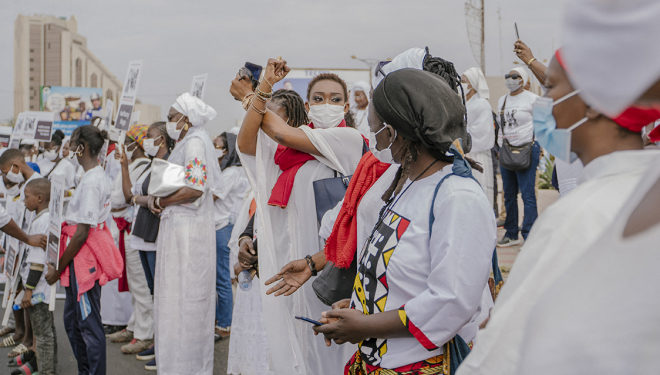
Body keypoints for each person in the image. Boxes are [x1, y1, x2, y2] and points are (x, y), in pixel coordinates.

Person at [455, 50, 660, 375]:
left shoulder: (578, 216)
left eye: (550, 88)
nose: (543, 101)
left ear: (592, 103)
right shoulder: (646, 189)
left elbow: (500, 355)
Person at [313, 68, 495, 374]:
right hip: (374, 361)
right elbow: (401, 276)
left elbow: (450, 300)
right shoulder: (408, 183)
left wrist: (367, 324)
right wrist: (360, 307)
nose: (377, 142)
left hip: (415, 365)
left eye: (377, 131)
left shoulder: (457, 196)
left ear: (395, 130)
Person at [233, 58, 364, 375]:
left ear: (346, 106)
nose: (326, 105)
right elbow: (247, 142)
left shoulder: (349, 141)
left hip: (327, 270)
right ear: (307, 105)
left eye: (335, 99)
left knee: (332, 355)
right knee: (295, 353)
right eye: (318, 98)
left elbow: (276, 130)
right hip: (290, 269)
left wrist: (252, 93)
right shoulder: (291, 153)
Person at [146, 93, 221, 375]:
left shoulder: (195, 144)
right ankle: (175, 363)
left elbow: (196, 188)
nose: (168, 123)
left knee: (185, 300)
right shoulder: (188, 142)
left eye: (171, 116)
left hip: (188, 234)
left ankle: (185, 366)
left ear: (186, 119)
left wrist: (161, 202)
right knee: (175, 300)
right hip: (179, 229)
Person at [44, 125, 123, 375]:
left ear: (83, 148)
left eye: (73, 144)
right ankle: (86, 370)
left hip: (83, 259)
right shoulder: (90, 177)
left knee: (87, 324)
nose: (70, 150)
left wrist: (59, 267)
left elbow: (81, 232)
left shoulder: (92, 181)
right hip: (78, 257)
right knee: (74, 322)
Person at [124, 122, 175, 370]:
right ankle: (157, 342)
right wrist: (143, 199)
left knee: (162, 295)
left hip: (157, 235)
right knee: (154, 294)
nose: (146, 141)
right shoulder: (151, 165)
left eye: (151, 137)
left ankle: (165, 346)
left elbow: (161, 199)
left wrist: (142, 200)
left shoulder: (170, 163)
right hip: (143, 234)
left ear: (162, 140)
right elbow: (136, 196)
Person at [106, 124, 154, 356]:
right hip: (127, 230)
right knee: (135, 283)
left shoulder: (142, 166)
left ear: (137, 144)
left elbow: (124, 197)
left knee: (140, 283)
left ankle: (145, 334)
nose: (122, 145)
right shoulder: (135, 165)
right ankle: (135, 325)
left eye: (127, 140)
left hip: (135, 229)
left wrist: (124, 166)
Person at [514, 39, 584, 197]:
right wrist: (530, 62)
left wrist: (531, 60)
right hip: (567, 161)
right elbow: (552, 84)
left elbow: (557, 84)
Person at [496, 67, 540, 247]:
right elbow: (500, 125)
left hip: (527, 149)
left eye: (515, 76)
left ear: (523, 79)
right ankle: (511, 232)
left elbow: (542, 123)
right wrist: (500, 145)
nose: (510, 79)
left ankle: (530, 234)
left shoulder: (533, 99)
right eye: (508, 76)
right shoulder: (502, 100)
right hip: (506, 150)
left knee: (528, 194)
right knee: (509, 194)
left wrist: (536, 144)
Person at [212, 131, 249, 341]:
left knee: (222, 278)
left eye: (217, 145)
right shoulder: (234, 172)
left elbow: (212, 196)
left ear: (227, 150)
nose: (214, 149)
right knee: (222, 276)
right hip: (224, 225)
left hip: (221, 226)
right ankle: (222, 319)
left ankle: (225, 324)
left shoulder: (230, 174)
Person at [17, 178, 56, 375]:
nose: (24, 201)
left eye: (27, 197)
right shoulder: (42, 218)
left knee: (42, 334)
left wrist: (29, 291)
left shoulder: (42, 221)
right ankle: (47, 367)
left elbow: (37, 262)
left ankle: (46, 371)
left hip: (39, 288)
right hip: (40, 288)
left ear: (39, 198)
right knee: (47, 331)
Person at [462, 67, 495, 207]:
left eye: (463, 81)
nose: (460, 84)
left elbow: (483, 134)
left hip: (477, 155)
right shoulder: (464, 104)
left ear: (472, 85)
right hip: (465, 154)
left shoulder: (482, 105)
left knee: (479, 191)